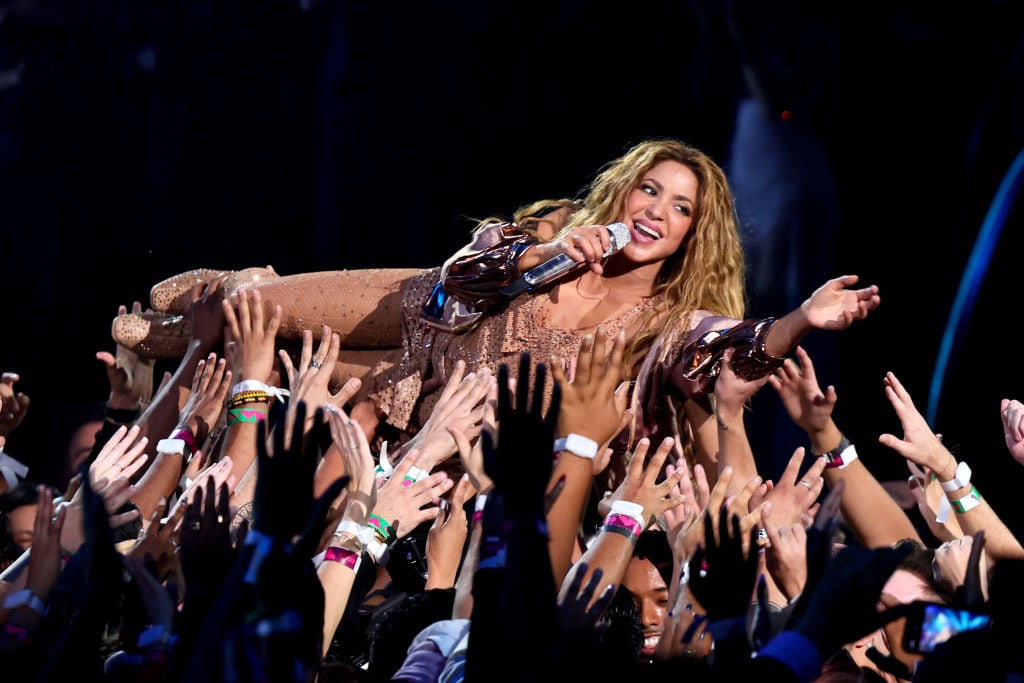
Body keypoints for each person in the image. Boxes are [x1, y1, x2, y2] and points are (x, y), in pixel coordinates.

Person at [117, 138, 881, 490]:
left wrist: (801, 322)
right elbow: (462, 276)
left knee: (268, 363)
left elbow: (737, 351)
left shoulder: (669, 322)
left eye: (680, 208)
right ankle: (189, 319)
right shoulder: (558, 228)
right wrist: (537, 259)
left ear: (691, 235)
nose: (657, 210)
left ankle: (180, 346)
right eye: (651, 189)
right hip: (423, 318)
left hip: (432, 408)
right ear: (625, 190)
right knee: (250, 309)